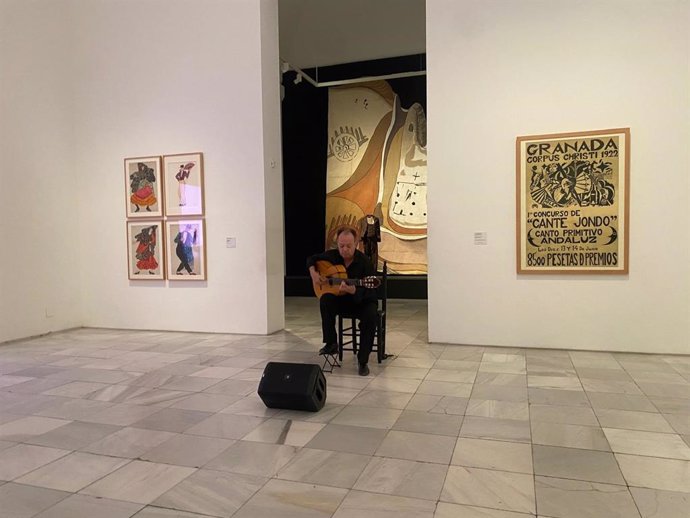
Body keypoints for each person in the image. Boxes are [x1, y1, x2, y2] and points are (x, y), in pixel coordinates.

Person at [307, 226, 377, 376]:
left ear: (356, 244)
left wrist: (354, 290)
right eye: (341, 246)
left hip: (361, 301)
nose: (344, 249)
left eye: (348, 246)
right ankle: (331, 343)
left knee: (371, 315)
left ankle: (363, 361)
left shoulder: (365, 262)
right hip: (341, 301)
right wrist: (313, 273)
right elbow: (311, 259)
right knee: (325, 299)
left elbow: (371, 290)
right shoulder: (332, 256)